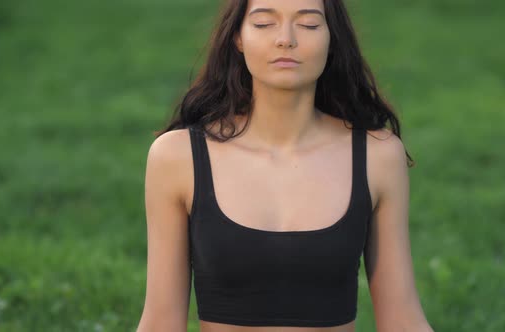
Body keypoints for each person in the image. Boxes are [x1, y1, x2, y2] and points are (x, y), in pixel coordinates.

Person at [137, 0, 434, 331]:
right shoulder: (178, 157)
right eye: (264, 24)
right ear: (238, 38)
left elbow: (402, 319)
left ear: (332, 38)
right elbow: (160, 322)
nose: (286, 39)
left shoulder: (378, 156)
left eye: (308, 25)